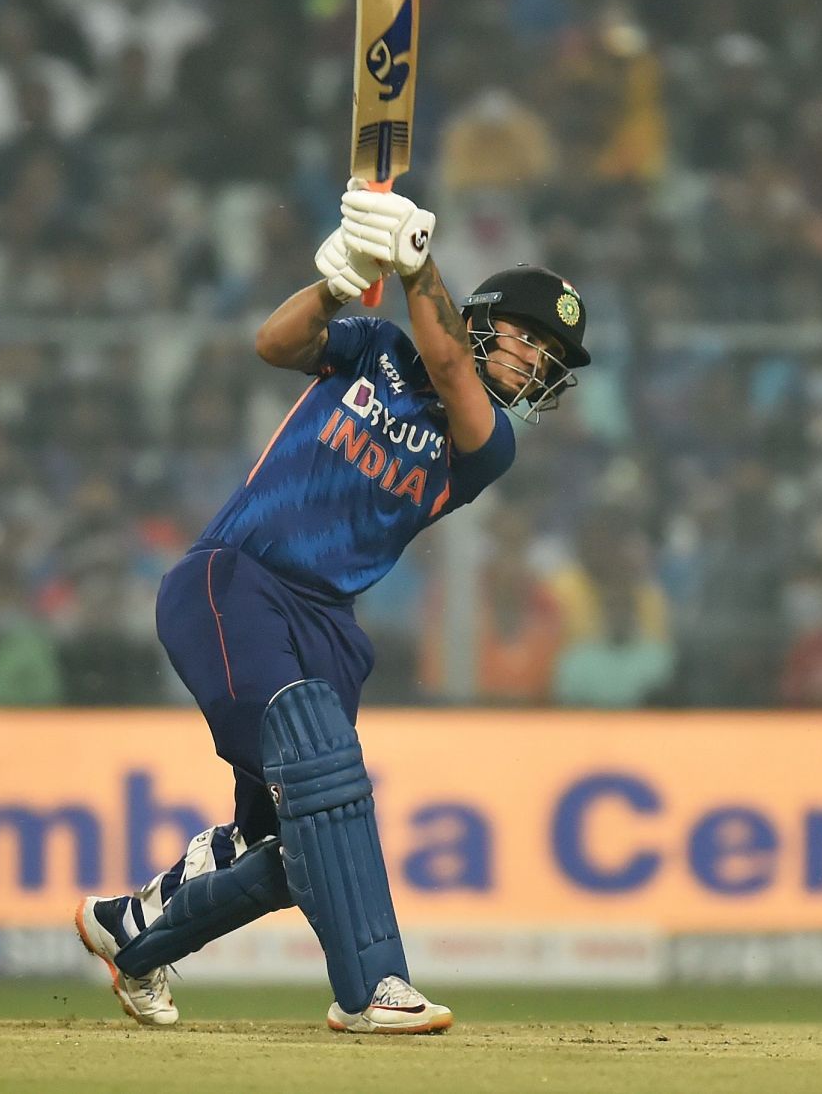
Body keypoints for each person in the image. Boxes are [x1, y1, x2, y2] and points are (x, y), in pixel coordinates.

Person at [73, 179, 591, 1033]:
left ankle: (135, 933)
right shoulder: (377, 349)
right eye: (531, 340)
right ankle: (373, 989)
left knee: (294, 843)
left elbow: (453, 367)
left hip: (326, 628)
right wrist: (341, 278)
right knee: (319, 763)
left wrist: (420, 267)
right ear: (487, 318)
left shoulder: (485, 445)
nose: (538, 365)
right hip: (234, 581)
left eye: (550, 360)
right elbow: (273, 343)